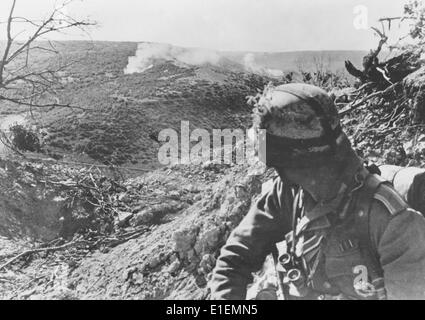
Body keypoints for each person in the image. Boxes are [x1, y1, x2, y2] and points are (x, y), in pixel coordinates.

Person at [209, 83, 425, 300]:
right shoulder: (288, 193)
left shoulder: (394, 223)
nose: (277, 172)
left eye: (276, 163)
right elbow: (234, 259)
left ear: (293, 163)